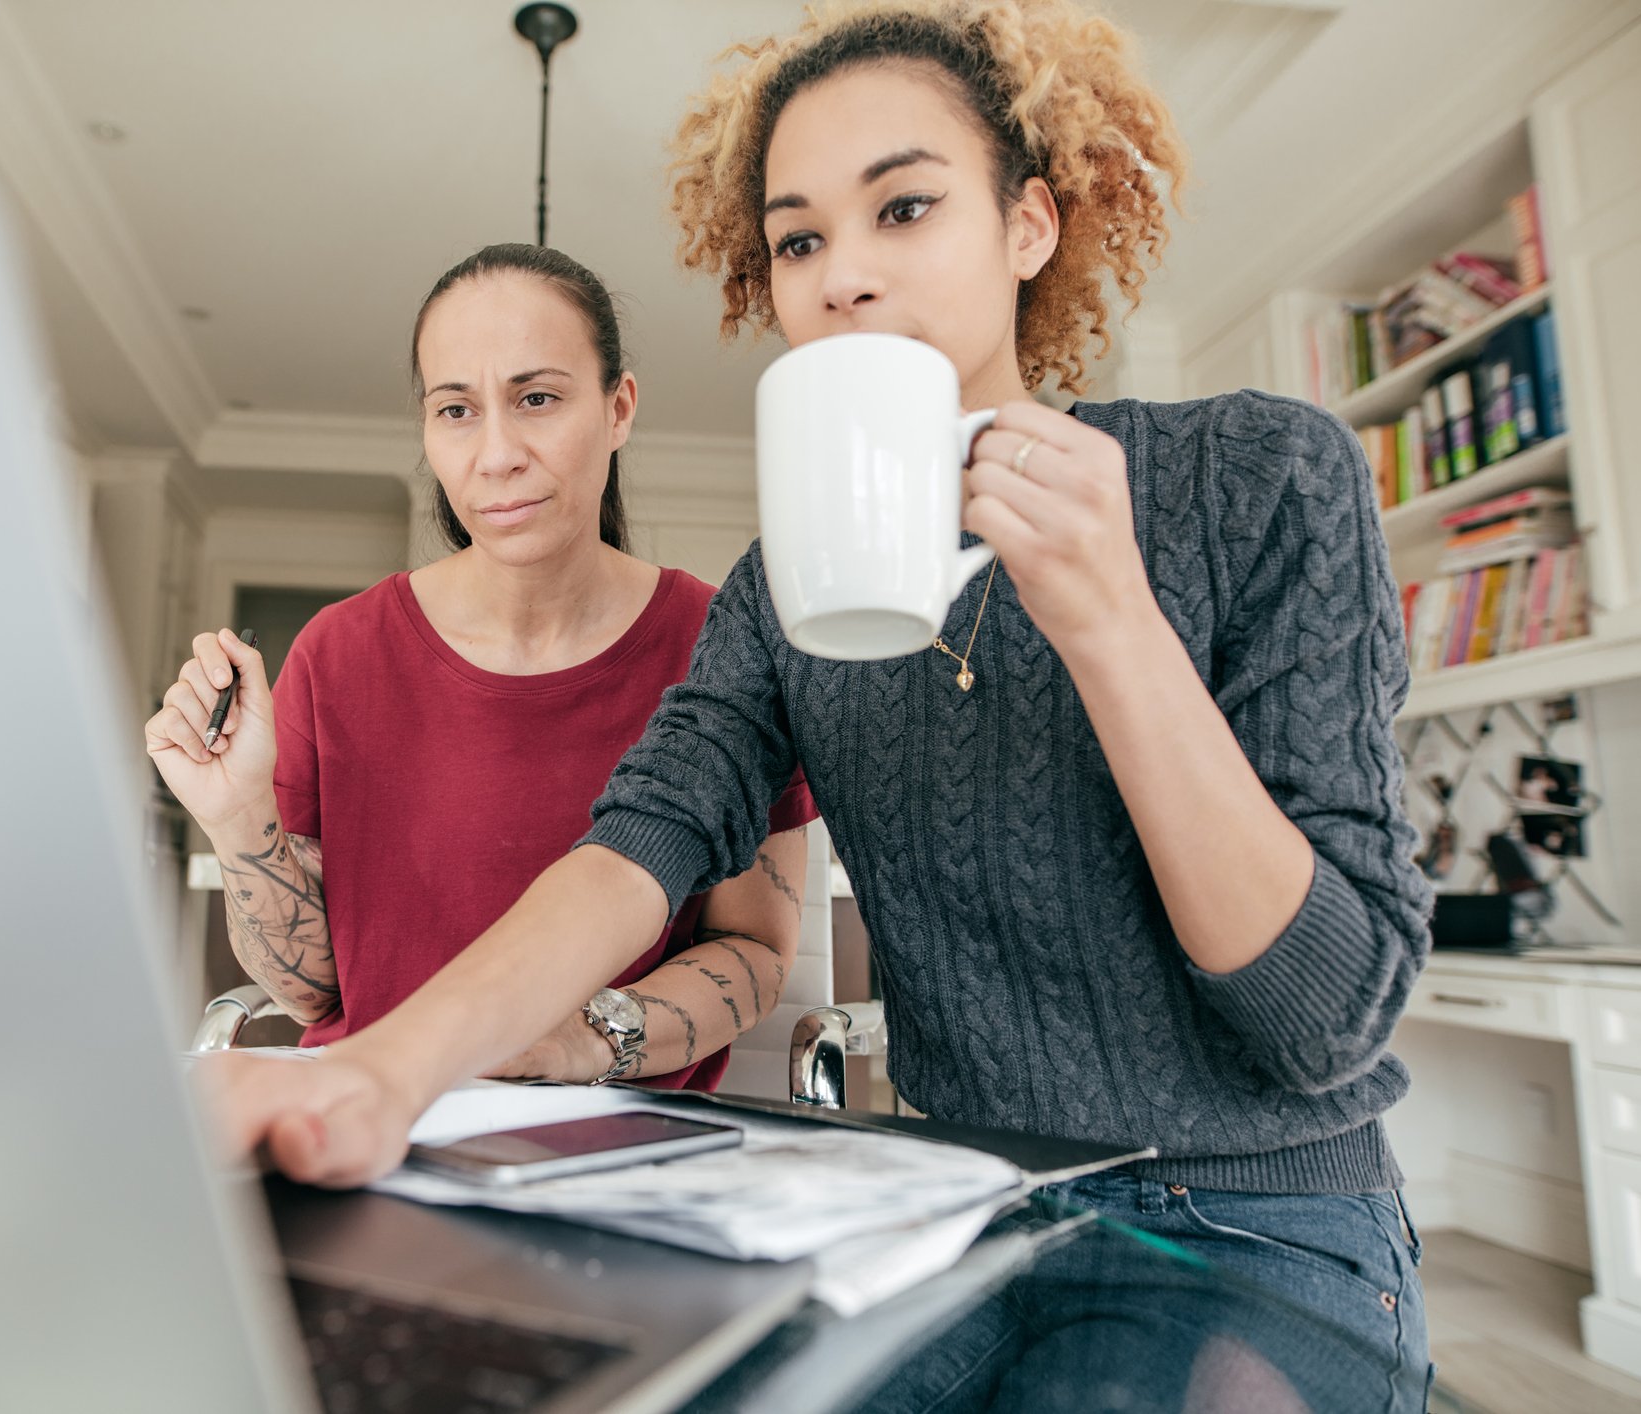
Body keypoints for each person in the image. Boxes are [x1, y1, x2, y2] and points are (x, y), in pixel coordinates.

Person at [202, 0, 1433, 1403]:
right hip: (969, 1198)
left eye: (903, 207)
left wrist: (1109, 621)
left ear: (1028, 226)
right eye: (798, 239)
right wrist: (382, 1073)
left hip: (1257, 1214)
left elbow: (1324, 1018)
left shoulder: (1261, 476)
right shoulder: (779, 588)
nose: (841, 276)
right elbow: (641, 840)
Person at [146, 243, 817, 1090]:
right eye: (456, 411)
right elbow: (318, 995)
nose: (495, 454)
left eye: (536, 398)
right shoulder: (337, 652)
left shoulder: (722, 642)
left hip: (614, 1149)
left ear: (619, 408)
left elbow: (754, 950)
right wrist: (240, 821)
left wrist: (584, 1042)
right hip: (375, 1132)